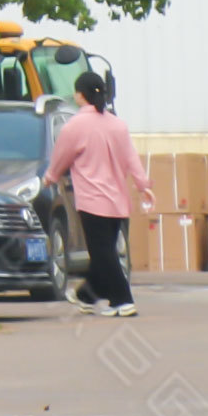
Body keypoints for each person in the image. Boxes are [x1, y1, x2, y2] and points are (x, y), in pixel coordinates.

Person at [46, 68, 152, 315]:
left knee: (103, 254)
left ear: (80, 95)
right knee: (104, 253)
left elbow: (61, 157)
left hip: (92, 201)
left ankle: (123, 300)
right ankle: (86, 295)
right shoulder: (118, 125)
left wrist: (50, 178)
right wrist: (143, 186)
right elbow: (131, 159)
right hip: (118, 201)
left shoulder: (74, 126)